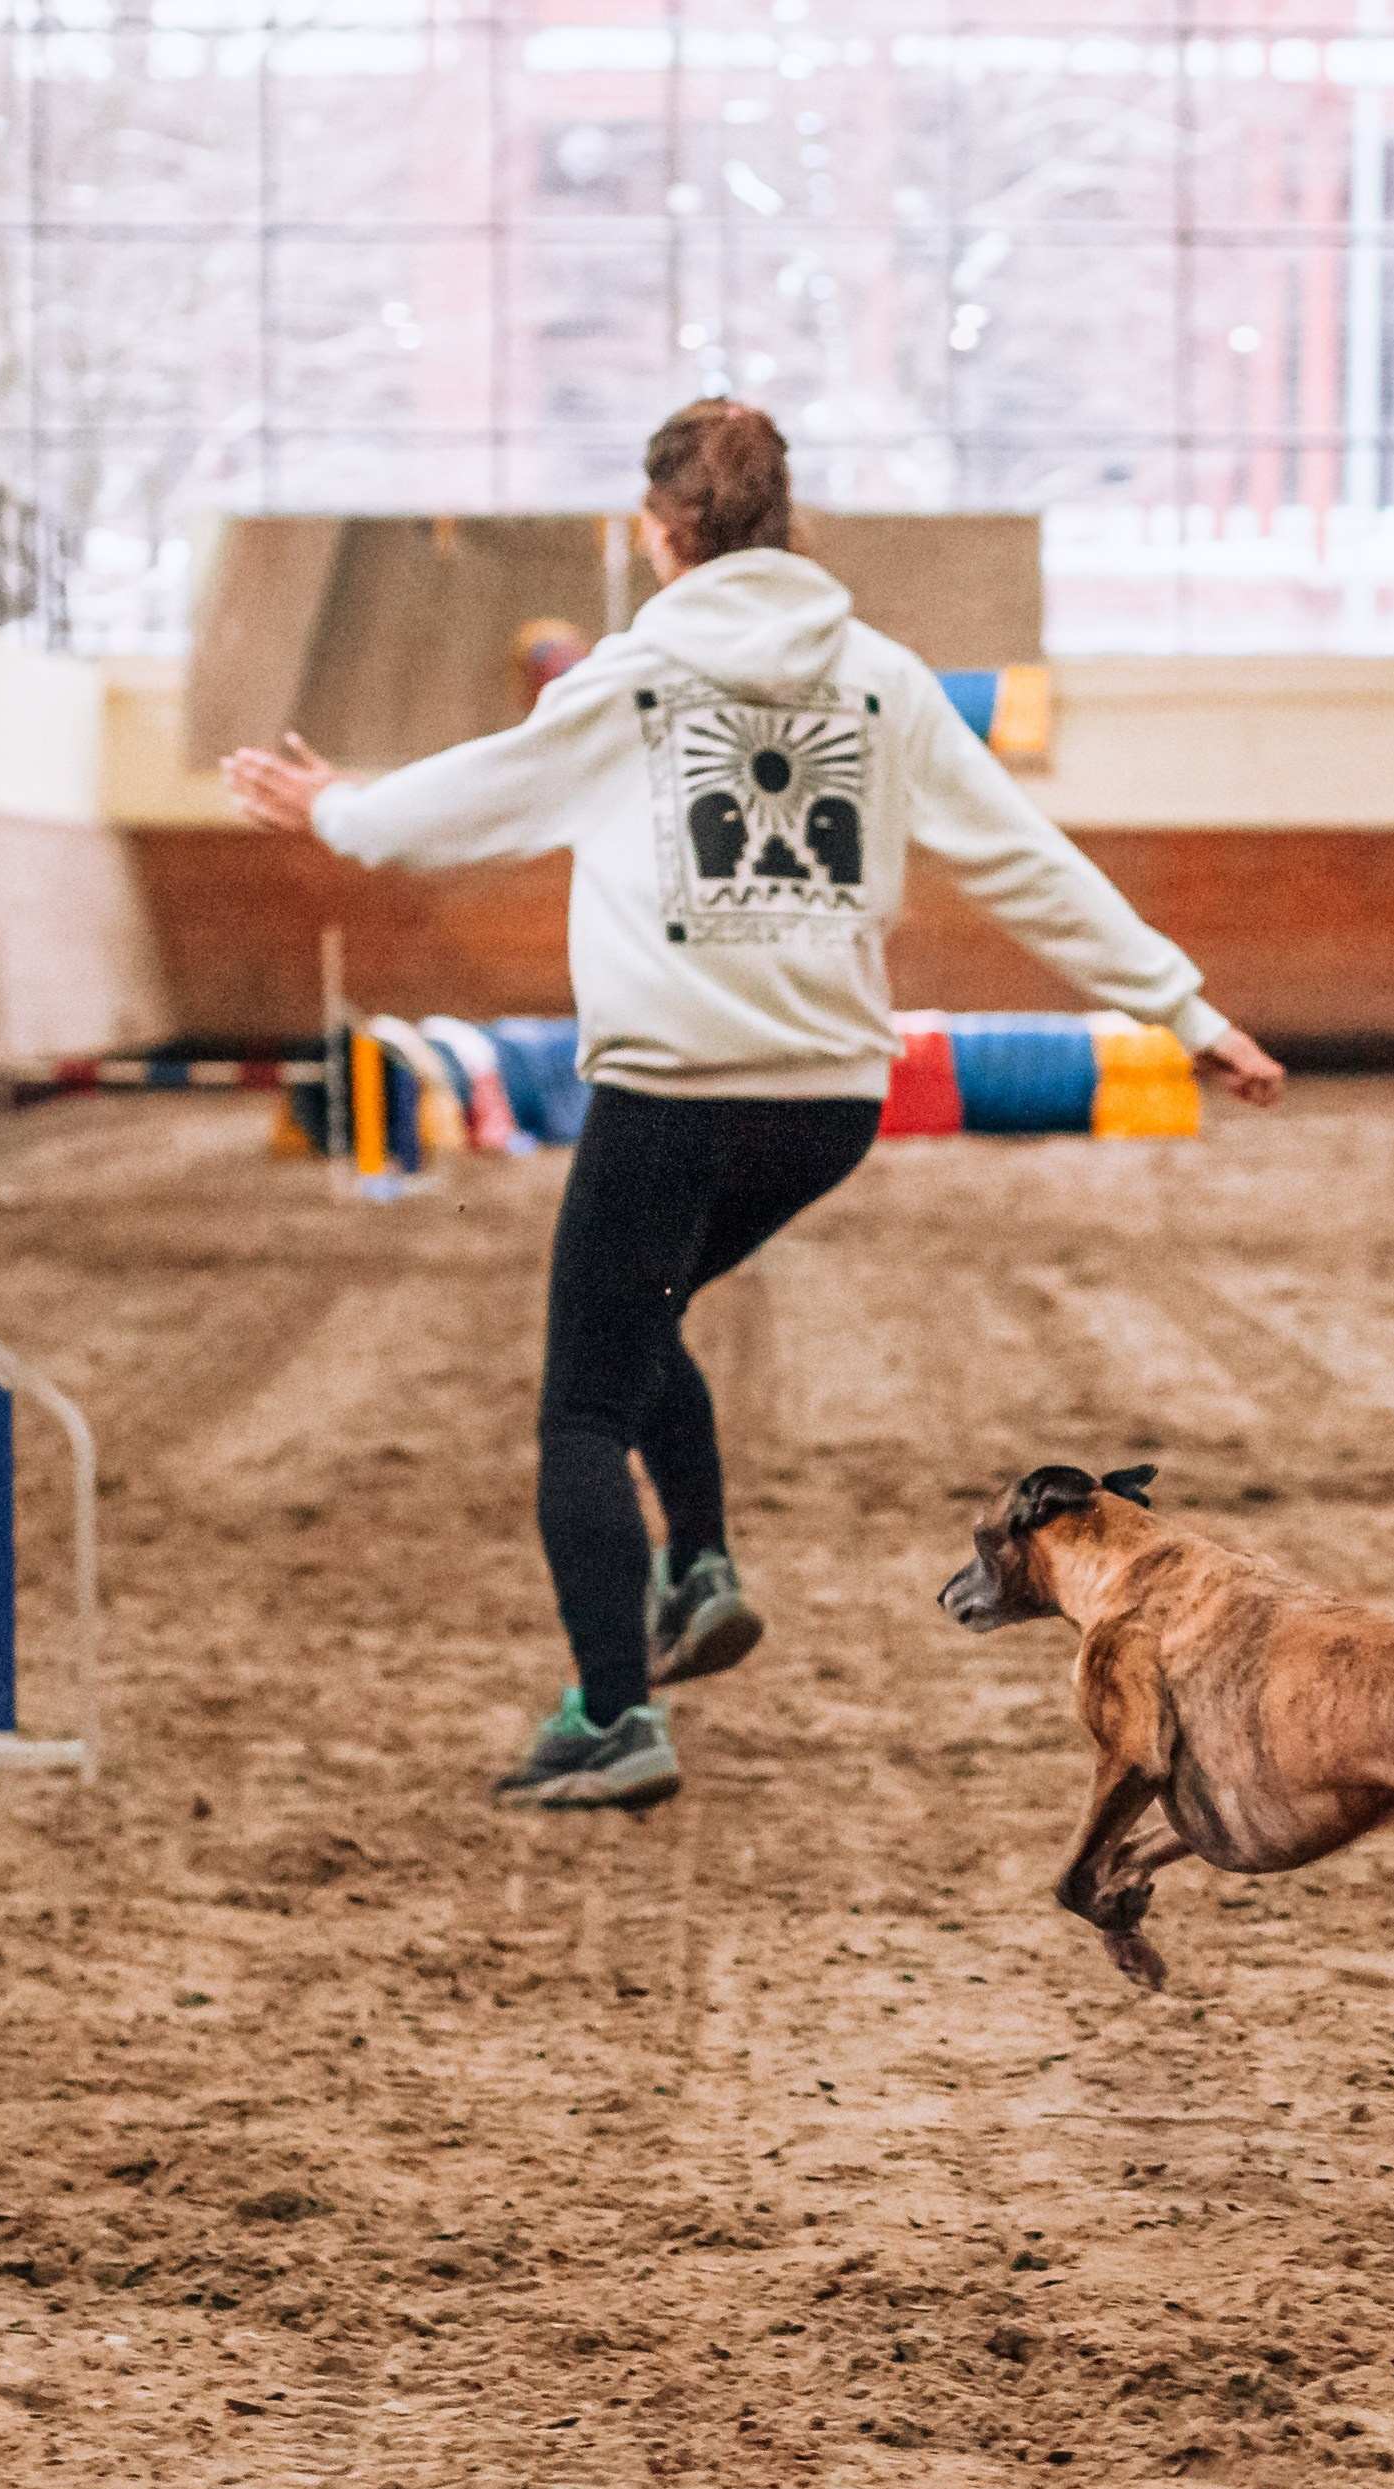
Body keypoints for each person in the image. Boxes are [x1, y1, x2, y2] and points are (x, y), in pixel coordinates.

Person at [224, 400, 1284, 1811]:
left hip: (672, 1091)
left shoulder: (632, 678)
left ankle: (614, 1715)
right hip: (829, 1103)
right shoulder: (884, 681)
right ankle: (702, 1566)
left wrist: (334, 809)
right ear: (794, 526)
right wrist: (1186, 1009)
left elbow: (470, 802)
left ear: (658, 532)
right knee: (640, 1315)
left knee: (582, 1402)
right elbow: (1027, 861)